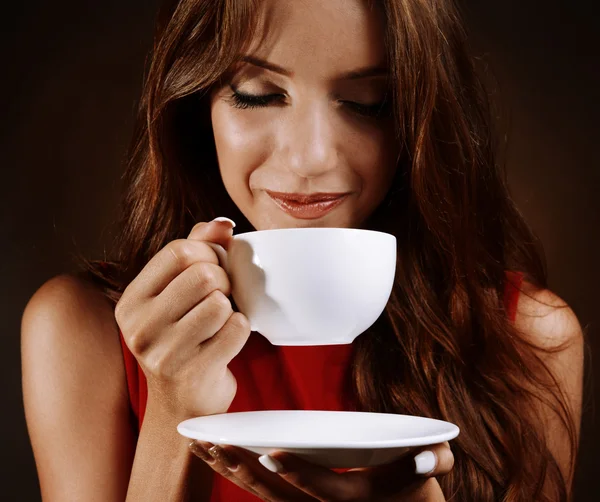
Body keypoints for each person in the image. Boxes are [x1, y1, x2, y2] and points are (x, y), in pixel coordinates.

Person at [21, 0, 584, 500]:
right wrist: (175, 406)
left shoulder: (527, 337)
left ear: (418, 117)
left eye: (368, 102)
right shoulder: (83, 330)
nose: (310, 157)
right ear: (199, 107)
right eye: (258, 95)